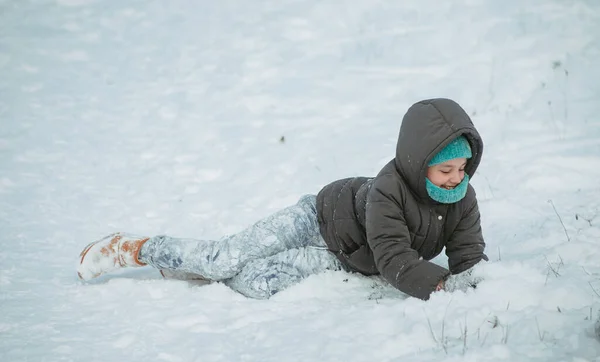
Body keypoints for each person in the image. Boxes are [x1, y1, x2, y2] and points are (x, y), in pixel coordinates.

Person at [77, 98, 488, 300]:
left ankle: (185, 268)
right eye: (444, 170)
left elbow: (468, 252)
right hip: (317, 218)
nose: (455, 180)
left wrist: (480, 284)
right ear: (419, 164)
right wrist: (443, 287)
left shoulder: (463, 198)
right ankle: (136, 249)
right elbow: (395, 259)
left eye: (461, 169)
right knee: (222, 259)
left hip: (344, 255)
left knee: (256, 285)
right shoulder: (388, 193)